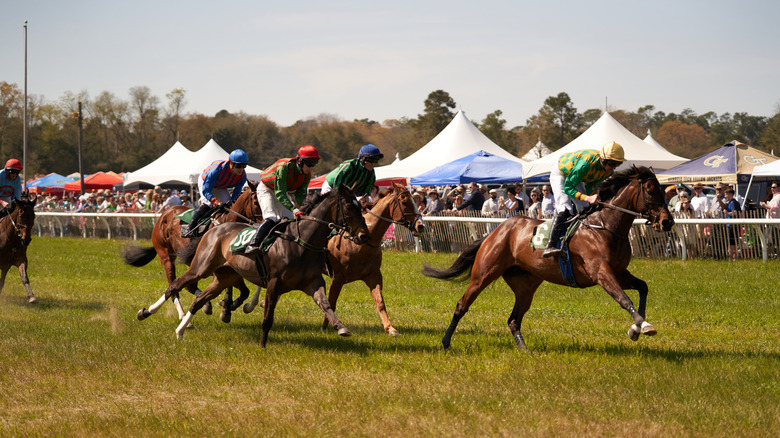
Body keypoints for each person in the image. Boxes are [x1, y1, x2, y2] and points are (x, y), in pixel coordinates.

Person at [543, 141, 625, 258]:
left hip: (576, 177)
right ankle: (550, 246)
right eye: (612, 163)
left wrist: (593, 196)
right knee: (565, 208)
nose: (614, 167)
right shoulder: (585, 164)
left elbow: (590, 186)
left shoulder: (607, 171)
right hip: (561, 173)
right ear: (604, 160)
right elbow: (568, 188)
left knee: (586, 208)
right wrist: (587, 197)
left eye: (618, 164)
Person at [245, 145, 320, 254]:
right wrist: (294, 209)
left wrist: (306, 209)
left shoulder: (306, 175)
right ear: (299, 161)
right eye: (309, 164)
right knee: (271, 217)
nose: (311, 168)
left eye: (314, 165)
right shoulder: (284, 167)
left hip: (281, 192)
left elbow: (299, 195)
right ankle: (253, 244)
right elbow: (279, 193)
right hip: (266, 188)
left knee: (289, 220)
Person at [184, 149, 249, 236]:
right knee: (208, 203)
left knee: (228, 205)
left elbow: (236, 194)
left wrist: (232, 202)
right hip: (205, 181)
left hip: (220, 186)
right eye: (238, 166)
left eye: (244, 166)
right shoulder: (216, 170)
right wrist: (215, 201)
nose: (241, 169)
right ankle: (190, 227)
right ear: (231, 163)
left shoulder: (242, 176)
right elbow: (206, 190)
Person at [719, 188, 742, 260]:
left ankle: (733, 257)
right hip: (731, 224)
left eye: (726, 194)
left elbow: (736, 212)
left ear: (730, 195)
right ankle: (733, 257)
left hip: (733, 224)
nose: (725, 196)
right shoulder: (730, 202)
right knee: (733, 241)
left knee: (732, 242)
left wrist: (727, 213)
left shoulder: (733, 203)